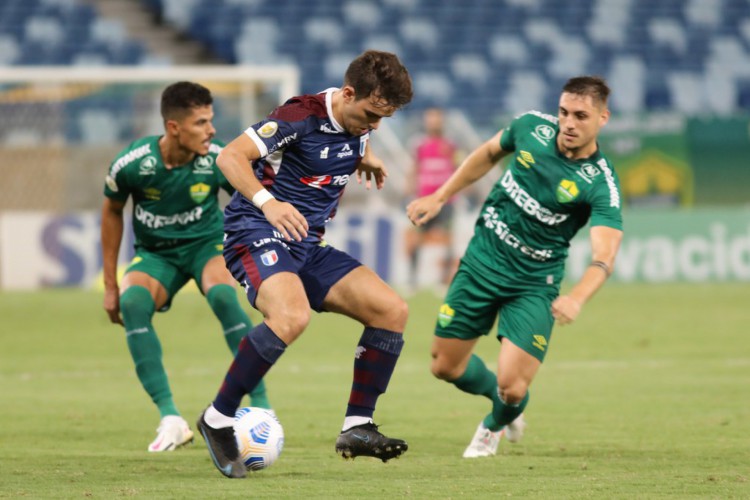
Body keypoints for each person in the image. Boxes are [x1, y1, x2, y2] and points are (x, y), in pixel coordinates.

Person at [195, 50, 414, 478]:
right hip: (255, 230)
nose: (374, 125)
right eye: (370, 114)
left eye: (382, 119)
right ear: (348, 93)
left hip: (306, 243)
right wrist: (269, 202)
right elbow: (229, 157)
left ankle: (357, 426)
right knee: (291, 316)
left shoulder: (358, 124)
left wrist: (363, 152)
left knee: (391, 311)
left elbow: (352, 135)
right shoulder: (299, 116)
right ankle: (218, 418)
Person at [407, 76, 623, 458]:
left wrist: (577, 297)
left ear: (602, 118)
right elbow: (488, 153)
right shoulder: (530, 128)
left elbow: (604, 255)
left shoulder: (600, 183)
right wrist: (440, 196)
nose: (568, 123)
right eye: (563, 112)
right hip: (481, 262)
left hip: (533, 282)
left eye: (580, 116)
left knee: (514, 386)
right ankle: (500, 402)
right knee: (443, 365)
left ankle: (493, 425)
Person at [101, 81, 271, 453]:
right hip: (157, 254)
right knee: (132, 305)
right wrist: (110, 285)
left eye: (210, 120)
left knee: (226, 297)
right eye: (201, 122)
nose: (211, 130)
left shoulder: (217, 161)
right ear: (173, 127)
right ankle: (171, 419)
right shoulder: (133, 164)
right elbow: (112, 211)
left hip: (206, 247)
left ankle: (261, 407)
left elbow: (253, 201)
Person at [404, 107, 459, 291]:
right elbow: (414, 168)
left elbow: (459, 168)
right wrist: (409, 191)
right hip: (423, 199)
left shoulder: (451, 144)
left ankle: (443, 281)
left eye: (436, 118)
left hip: (445, 200)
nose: (433, 122)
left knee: (447, 240)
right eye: (430, 119)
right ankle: (412, 280)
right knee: (416, 239)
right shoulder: (419, 144)